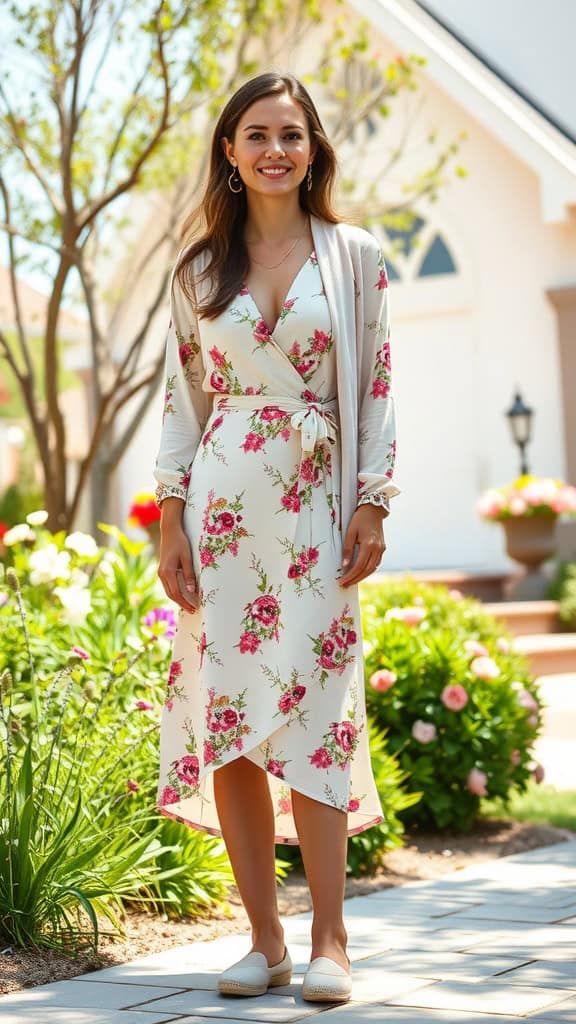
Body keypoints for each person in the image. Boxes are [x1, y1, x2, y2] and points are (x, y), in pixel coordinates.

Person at [153, 71, 399, 1004]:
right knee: (234, 727)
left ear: (312, 147)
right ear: (228, 149)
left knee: (318, 717)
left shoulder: (355, 257)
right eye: (256, 134)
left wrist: (373, 499)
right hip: (221, 508)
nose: (274, 150)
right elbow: (183, 403)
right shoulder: (195, 272)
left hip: (316, 509)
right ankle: (264, 941)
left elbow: (376, 387)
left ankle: (332, 941)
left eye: (291, 134)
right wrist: (170, 515)